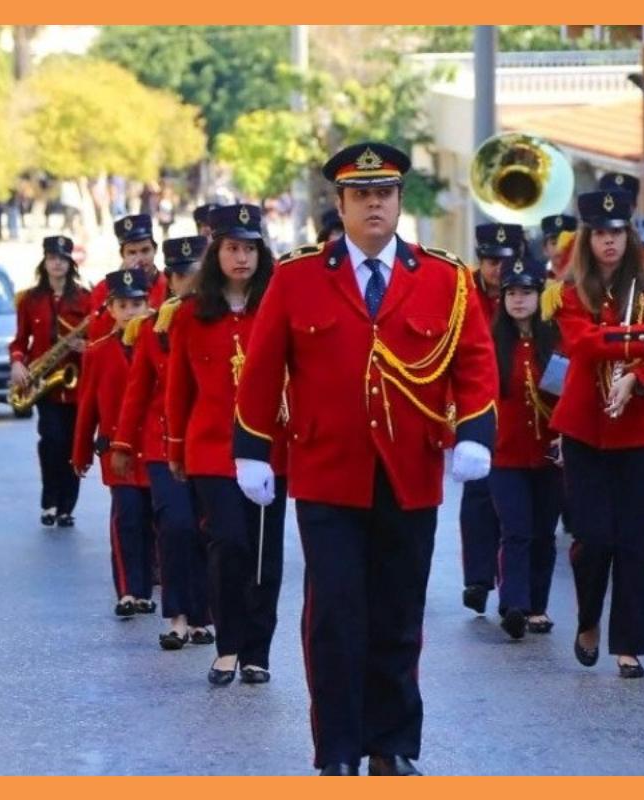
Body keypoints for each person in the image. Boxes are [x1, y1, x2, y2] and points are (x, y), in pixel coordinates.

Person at [232, 142, 497, 776]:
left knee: (401, 613)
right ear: (341, 204)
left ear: (400, 201)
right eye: (360, 195)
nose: (373, 204)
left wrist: (476, 434)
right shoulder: (297, 277)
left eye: (384, 194)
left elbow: (476, 361)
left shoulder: (443, 277)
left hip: (411, 472)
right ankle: (339, 752)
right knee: (336, 615)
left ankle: (393, 744)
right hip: (328, 474)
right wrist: (252, 450)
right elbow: (263, 371)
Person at [546, 189, 644, 679]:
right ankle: (587, 620)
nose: (610, 242)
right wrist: (643, 338)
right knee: (594, 536)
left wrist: (636, 377)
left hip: (637, 432)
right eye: (601, 234)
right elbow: (582, 343)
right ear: (588, 239)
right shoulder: (567, 292)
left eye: (618, 233)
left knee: (631, 541)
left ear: (629, 236)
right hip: (584, 428)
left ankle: (629, 645)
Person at [165, 205, 287, 686]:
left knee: (264, 552)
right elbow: (179, 388)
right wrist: (175, 448)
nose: (242, 258)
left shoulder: (278, 307)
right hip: (211, 449)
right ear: (216, 253)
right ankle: (227, 646)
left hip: (270, 448)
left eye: (250, 248)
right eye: (233, 248)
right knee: (227, 544)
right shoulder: (191, 315)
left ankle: (258, 652)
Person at [112, 235, 212, 650]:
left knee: (206, 531)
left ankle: (203, 616)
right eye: (180, 274)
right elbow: (136, 393)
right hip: (160, 445)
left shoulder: (217, 321)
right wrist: (120, 445)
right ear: (168, 279)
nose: (188, 281)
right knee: (175, 527)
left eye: (195, 273)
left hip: (207, 444)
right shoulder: (150, 329)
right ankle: (176, 615)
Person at [486, 249, 562, 640]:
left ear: (539, 296)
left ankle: (538, 605)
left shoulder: (556, 340)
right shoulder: (492, 343)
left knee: (544, 533)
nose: (518, 299)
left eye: (527, 292)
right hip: (506, 454)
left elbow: (567, 393)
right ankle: (513, 604)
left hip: (550, 454)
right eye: (511, 292)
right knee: (515, 530)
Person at [71, 269, 155, 617]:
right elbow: (87, 404)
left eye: (138, 304)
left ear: (149, 305)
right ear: (110, 309)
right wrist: (79, 452)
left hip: (152, 448)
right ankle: (127, 591)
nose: (131, 312)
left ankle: (146, 589)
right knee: (126, 519)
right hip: (116, 452)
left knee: (153, 522)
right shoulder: (98, 352)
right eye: (123, 305)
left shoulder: (159, 342)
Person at [10, 236, 96, 526]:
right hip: (43, 383)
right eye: (52, 258)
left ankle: (66, 508)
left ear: (70, 263)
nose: (57, 263)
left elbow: (97, 338)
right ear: (44, 262)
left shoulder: (85, 299)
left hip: (76, 384)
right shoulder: (29, 300)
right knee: (51, 441)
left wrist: (87, 348)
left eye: (62, 258)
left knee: (73, 444)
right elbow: (20, 339)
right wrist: (19, 361)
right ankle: (49, 501)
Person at [458, 222, 516, 615]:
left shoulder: (531, 292)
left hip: (517, 405)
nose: (498, 270)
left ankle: (513, 586)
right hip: (477, 403)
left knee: (515, 502)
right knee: (478, 494)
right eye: (492, 261)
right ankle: (478, 579)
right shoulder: (461, 288)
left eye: (506, 262)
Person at [88, 214, 169, 339]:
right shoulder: (104, 288)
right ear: (122, 255)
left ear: (155, 250)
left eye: (145, 250)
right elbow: (95, 334)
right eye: (132, 252)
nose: (140, 258)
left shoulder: (170, 283)